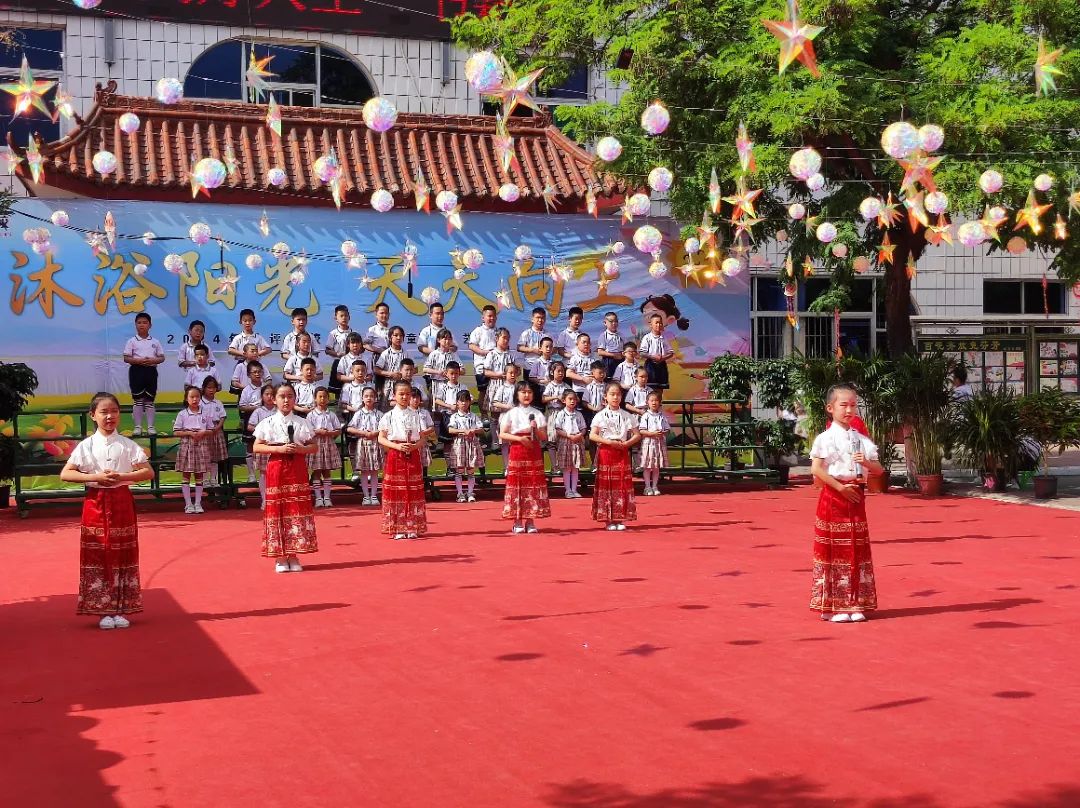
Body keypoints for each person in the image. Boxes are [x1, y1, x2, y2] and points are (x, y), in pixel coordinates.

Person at [60, 392, 154, 630]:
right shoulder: (86, 445)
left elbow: (148, 472)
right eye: (104, 412)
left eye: (114, 411)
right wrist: (96, 478)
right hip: (95, 503)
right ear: (93, 415)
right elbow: (66, 473)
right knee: (99, 554)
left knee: (124, 553)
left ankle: (122, 607)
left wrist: (122, 476)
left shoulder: (127, 444)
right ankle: (103, 609)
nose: (109, 416)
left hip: (122, 502)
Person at [809, 383, 884, 623]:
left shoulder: (860, 439)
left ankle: (855, 602)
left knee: (856, 549)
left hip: (856, 496)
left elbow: (878, 470)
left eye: (853, 405)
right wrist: (840, 487)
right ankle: (833, 605)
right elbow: (816, 470)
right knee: (834, 550)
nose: (849, 410)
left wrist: (868, 464)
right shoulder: (825, 438)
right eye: (844, 405)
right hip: (834, 496)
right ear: (830, 408)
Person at [253, 382, 319, 573]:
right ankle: (280, 557)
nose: (286, 400)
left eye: (290, 396)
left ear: (295, 399)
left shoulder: (302, 422)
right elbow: (257, 446)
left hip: (297, 467)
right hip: (277, 467)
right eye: (282, 396)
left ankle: (294, 554)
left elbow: (314, 446)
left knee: (295, 509)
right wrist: (278, 449)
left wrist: (301, 449)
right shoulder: (267, 423)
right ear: (273, 399)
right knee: (278, 509)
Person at [377, 380, 427, 540]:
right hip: (395, 454)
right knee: (396, 492)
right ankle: (397, 527)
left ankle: (412, 526)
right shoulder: (388, 416)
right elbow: (381, 438)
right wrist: (397, 447)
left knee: (413, 490)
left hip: (412, 454)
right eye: (401, 394)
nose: (405, 397)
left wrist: (414, 447)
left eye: (407, 394)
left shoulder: (416, 415)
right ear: (394, 395)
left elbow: (422, 439)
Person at [499, 380, 550, 534]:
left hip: (533, 452)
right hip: (517, 451)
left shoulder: (538, 414)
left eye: (529, 392)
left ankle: (530, 520)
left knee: (532, 485)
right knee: (518, 486)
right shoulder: (511, 413)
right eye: (523, 392)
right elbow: (502, 434)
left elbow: (544, 436)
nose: (526, 395)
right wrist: (520, 439)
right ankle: (517, 521)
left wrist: (535, 428)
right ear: (517, 394)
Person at [590, 382, 640, 531]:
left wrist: (627, 444)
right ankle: (608, 519)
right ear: (605, 397)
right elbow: (592, 435)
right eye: (612, 394)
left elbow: (637, 434)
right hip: (606, 452)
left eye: (618, 394)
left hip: (622, 452)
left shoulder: (627, 415)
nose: (615, 397)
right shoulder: (600, 415)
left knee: (621, 485)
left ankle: (619, 517)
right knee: (607, 485)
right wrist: (608, 442)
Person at [123, 312, 165, 437]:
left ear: (150, 325)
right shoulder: (131, 341)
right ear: (135, 325)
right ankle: (138, 427)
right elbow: (126, 358)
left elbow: (162, 357)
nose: (142, 325)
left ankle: (151, 427)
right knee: (138, 400)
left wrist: (152, 361)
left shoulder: (155, 342)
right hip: (136, 371)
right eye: (139, 322)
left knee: (149, 401)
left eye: (145, 322)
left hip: (151, 372)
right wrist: (138, 361)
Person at [173, 385, 212, 514]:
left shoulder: (205, 413)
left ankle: (198, 503)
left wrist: (203, 432)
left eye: (197, 397)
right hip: (187, 445)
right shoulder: (182, 414)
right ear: (186, 398)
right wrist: (189, 433)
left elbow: (211, 430)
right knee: (186, 474)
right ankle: (188, 504)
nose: (195, 399)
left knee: (200, 475)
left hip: (201, 445)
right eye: (192, 397)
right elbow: (176, 432)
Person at [347, 387, 384, 506]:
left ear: (375, 398)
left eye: (371, 396)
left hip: (375, 443)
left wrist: (375, 433)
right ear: (362, 398)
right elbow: (349, 428)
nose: (369, 398)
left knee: (374, 471)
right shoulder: (358, 413)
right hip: (362, 444)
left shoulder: (379, 414)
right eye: (366, 396)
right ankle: (366, 496)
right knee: (364, 471)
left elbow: (385, 428)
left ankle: (373, 495)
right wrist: (363, 433)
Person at [307, 387, 342, 508]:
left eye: (325, 397)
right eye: (320, 397)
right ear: (315, 399)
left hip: (328, 444)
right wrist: (318, 431)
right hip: (316, 444)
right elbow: (308, 431)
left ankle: (327, 497)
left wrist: (329, 433)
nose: (322, 399)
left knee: (326, 471)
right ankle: (318, 498)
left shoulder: (331, 414)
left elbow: (338, 430)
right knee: (316, 471)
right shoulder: (311, 415)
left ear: (328, 399)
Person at [448, 389, 484, 503]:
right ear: (457, 403)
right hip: (459, 444)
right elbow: (450, 429)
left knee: (470, 470)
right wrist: (463, 431)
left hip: (472, 443)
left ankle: (470, 492)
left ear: (470, 402)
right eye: (461, 401)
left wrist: (473, 430)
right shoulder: (454, 417)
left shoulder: (473, 416)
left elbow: (481, 429)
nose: (464, 403)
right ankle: (460, 493)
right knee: (459, 470)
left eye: (466, 400)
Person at [246, 383, 277, 509]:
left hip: (276, 445)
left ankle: (275, 499)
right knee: (264, 473)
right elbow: (250, 426)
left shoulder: (278, 411)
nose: (269, 397)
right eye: (267, 394)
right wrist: (262, 430)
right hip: (263, 445)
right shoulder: (258, 411)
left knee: (276, 473)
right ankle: (265, 499)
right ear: (262, 396)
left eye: (272, 394)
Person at [553, 389, 587, 498]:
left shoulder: (579, 414)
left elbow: (583, 428)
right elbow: (558, 429)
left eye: (574, 399)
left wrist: (579, 435)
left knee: (575, 467)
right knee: (567, 467)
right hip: (565, 441)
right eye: (570, 399)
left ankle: (574, 489)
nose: (572, 401)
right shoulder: (561, 414)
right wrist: (568, 436)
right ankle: (568, 490)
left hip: (577, 441)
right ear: (564, 400)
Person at [238, 362, 268, 485]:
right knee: (250, 446)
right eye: (254, 372)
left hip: (266, 419)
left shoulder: (266, 388)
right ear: (249, 375)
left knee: (266, 446)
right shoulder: (246, 390)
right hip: (250, 418)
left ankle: (266, 473)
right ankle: (251, 474)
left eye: (259, 371)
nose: (257, 374)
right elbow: (241, 407)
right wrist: (256, 408)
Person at [468, 304, 498, 415]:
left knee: (496, 392)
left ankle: (495, 417)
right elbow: (472, 346)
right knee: (483, 392)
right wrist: (487, 353)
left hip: (496, 368)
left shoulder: (498, 332)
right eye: (489, 316)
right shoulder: (478, 331)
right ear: (483, 317)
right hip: (481, 367)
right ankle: (484, 417)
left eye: (493, 316)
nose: (491, 318)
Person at [639, 391, 670, 495]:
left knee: (656, 466)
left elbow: (667, 429)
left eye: (656, 400)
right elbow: (641, 430)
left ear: (660, 402)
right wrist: (652, 433)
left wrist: (663, 433)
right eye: (652, 400)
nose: (654, 403)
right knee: (647, 466)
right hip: (648, 443)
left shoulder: (662, 416)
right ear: (647, 402)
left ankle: (655, 486)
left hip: (659, 443)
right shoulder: (645, 416)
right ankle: (647, 487)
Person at [488, 363, 519, 469]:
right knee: (505, 443)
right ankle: (507, 467)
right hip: (505, 417)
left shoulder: (519, 387)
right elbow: (495, 402)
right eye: (510, 373)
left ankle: (516, 466)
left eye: (515, 373)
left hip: (518, 418)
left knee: (516, 442)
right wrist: (507, 406)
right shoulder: (502, 388)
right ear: (505, 374)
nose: (513, 375)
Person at [201, 377, 228, 490]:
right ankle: (205, 479)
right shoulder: (200, 402)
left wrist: (218, 427)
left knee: (215, 458)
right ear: (203, 388)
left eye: (214, 388)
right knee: (205, 457)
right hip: (205, 432)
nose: (211, 390)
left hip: (217, 432)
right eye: (209, 387)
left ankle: (213, 478)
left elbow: (222, 417)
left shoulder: (218, 403)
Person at [542, 361, 570, 472]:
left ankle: (562, 465)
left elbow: (572, 399)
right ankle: (554, 466)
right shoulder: (549, 385)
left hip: (564, 414)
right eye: (558, 371)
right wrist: (556, 397)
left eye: (562, 371)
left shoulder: (566, 386)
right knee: (551, 440)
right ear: (552, 372)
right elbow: (544, 399)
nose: (560, 373)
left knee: (562, 440)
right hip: (552, 413)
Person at [639, 312, 676, 396]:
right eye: (656, 322)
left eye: (660, 323)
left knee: (660, 389)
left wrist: (663, 358)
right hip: (650, 365)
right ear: (651, 324)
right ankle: (650, 407)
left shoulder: (664, 337)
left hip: (661, 364)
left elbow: (670, 352)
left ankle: (659, 406)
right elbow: (642, 352)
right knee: (650, 389)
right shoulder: (647, 337)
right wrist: (652, 356)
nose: (658, 325)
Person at [324, 304, 353, 398]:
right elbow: (327, 350)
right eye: (341, 316)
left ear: (349, 317)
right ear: (336, 318)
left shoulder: (353, 333)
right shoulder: (333, 334)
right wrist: (337, 354)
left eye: (346, 315)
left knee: (350, 386)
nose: (344, 318)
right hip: (338, 362)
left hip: (351, 363)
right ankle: (335, 410)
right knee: (335, 389)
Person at [374, 325, 407, 409]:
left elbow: (415, 369)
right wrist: (390, 374)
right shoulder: (385, 353)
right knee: (386, 410)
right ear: (390, 337)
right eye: (396, 335)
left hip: (403, 385)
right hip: (388, 386)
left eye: (401, 335)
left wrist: (403, 374)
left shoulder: (406, 353)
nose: (398, 338)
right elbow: (376, 369)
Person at [517, 306, 550, 386]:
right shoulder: (526, 333)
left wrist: (546, 352)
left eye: (542, 318)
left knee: (542, 391)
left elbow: (554, 349)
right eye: (537, 317)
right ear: (532, 319)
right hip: (529, 366)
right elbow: (519, 347)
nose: (540, 320)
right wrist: (533, 350)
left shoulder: (548, 334)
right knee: (529, 390)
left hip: (544, 367)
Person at [595, 311, 625, 380]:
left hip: (621, 359)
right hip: (609, 361)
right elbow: (600, 352)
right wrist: (613, 355)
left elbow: (625, 347)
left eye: (616, 321)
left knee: (621, 379)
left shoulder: (621, 335)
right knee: (610, 380)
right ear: (605, 323)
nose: (614, 323)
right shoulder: (603, 336)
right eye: (611, 321)